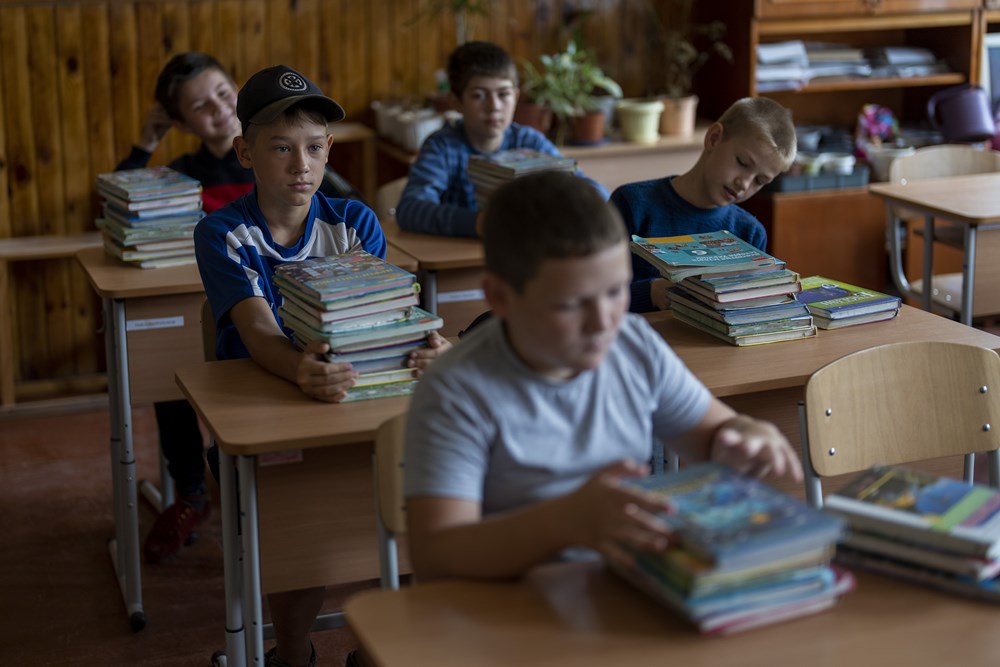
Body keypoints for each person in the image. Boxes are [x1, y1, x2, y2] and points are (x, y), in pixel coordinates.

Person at [403, 170, 803, 583]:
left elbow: (715, 434)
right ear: (500, 297)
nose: (603, 323)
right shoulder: (456, 389)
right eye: (572, 304)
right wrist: (568, 521)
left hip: (613, 591)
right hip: (495, 613)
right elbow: (437, 552)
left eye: (616, 292)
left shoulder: (633, 345)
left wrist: (746, 435)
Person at [193, 64, 449, 667]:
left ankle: (377, 649)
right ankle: (292, 652)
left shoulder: (354, 222)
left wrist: (423, 346)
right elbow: (257, 331)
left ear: (329, 150)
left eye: (313, 148)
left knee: (414, 488)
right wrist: (301, 369)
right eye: (280, 148)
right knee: (300, 523)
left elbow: (381, 317)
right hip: (267, 409)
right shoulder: (223, 234)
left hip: (357, 394)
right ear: (245, 152)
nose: (299, 166)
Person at [115, 52, 367, 565]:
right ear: (246, 151)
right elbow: (127, 195)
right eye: (198, 105)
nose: (300, 164)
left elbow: (366, 313)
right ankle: (192, 490)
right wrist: (144, 145)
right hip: (260, 364)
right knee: (168, 369)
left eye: (222, 93)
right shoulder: (189, 184)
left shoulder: (342, 212)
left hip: (334, 375)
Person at [395, 40, 609, 238]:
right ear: (456, 102)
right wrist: (478, 223)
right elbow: (410, 209)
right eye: (479, 95)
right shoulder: (442, 147)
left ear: (515, 97)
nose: (494, 107)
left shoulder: (529, 141)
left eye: (504, 94)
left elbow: (592, 191)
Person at [610, 96, 797, 313]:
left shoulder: (750, 233)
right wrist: (651, 292)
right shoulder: (632, 204)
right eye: (742, 163)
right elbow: (590, 294)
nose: (744, 183)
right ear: (714, 138)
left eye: (760, 181)